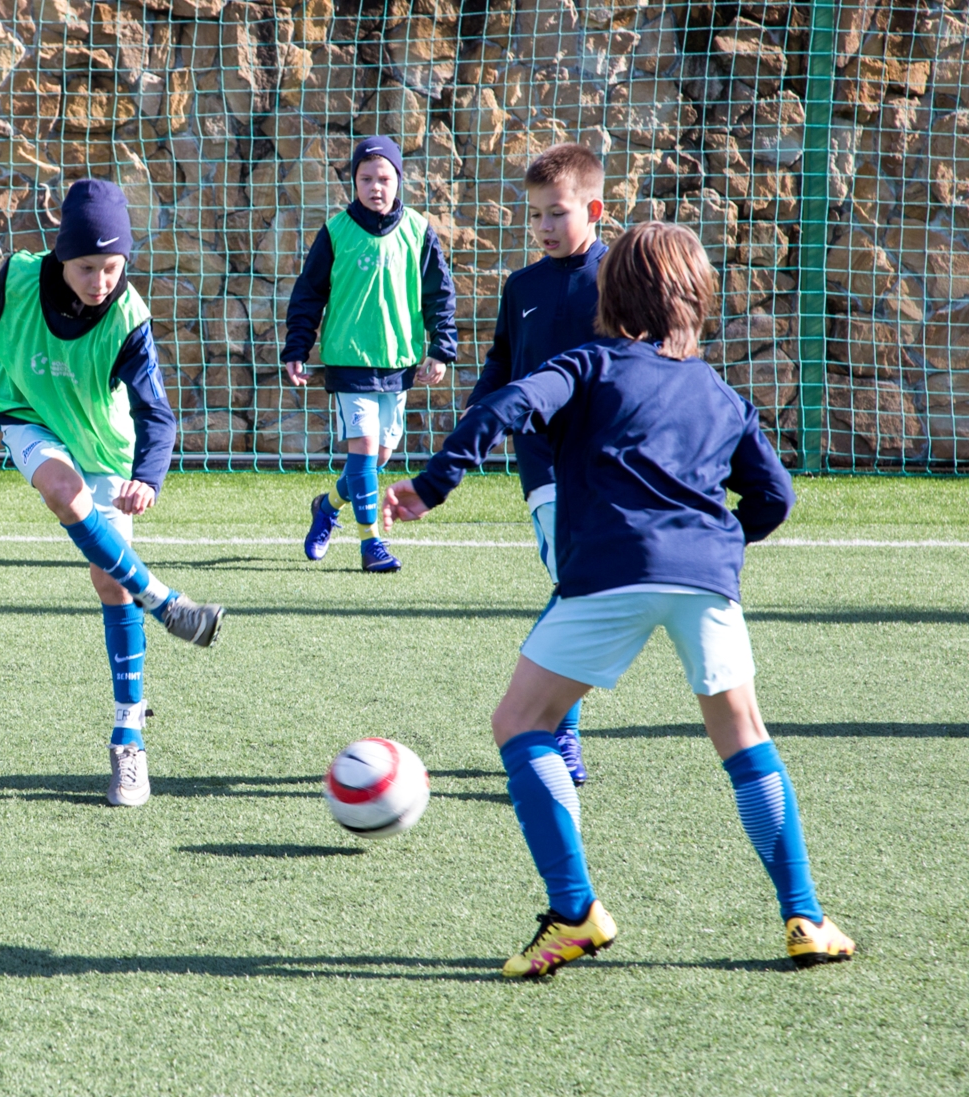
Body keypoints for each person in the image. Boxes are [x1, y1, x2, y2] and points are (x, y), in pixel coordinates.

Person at [382, 221, 855, 977]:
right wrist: (714, 543)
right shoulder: (721, 393)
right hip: (706, 581)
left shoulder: (589, 363)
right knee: (743, 738)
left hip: (611, 568)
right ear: (695, 298)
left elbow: (504, 406)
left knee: (519, 722)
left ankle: (575, 912)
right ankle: (806, 918)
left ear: (611, 295)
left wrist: (433, 484)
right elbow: (775, 498)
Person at [0, 178, 224, 809]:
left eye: (113, 267)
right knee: (61, 489)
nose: (101, 280)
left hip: (105, 447)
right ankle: (167, 603)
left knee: (111, 584)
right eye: (87, 267)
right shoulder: (19, 276)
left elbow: (157, 414)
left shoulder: (129, 320)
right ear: (61, 256)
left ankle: (129, 739)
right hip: (27, 414)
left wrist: (147, 478)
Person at [466, 143, 610, 786]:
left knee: (585, 592)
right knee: (570, 587)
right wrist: (478, 415)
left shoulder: (619, 280)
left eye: (557, 213)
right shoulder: (521, 286)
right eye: (535, 216)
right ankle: (561, 730)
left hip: (607, 464)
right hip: (544, 466)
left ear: (593, 210)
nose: (544, 226)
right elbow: (503, 359)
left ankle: (555, 722)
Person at [282, 136, 458, 573]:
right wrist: (298, 345)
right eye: (366, 179)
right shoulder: (336, 232)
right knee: (361, 450)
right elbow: (309, 294)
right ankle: (371, 544)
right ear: (354, 182)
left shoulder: (418, 230)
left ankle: (327, 506)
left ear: (398, 180)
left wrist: (441, 348)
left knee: (375, 459)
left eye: (384, 178)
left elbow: (439, 294)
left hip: (398, 361)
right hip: (349, 360)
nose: (375, 187)